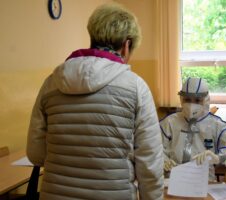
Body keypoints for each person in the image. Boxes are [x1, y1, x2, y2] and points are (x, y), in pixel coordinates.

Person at [26, 3, 164, 200]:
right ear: (126, 45)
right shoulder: (136, 87)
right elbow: (149, 164)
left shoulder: (51, 83)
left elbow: (36, 154)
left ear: (93, 38)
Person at [160, 77, 226, 181]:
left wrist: (219, 158)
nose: (192, 105)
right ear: (181, 99)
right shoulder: (170, 122)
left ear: (206, 100)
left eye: (197, 100)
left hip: (204, 181)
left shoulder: (216, 125)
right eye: (187, 99)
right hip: (173, 180)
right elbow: (153, 146)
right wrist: (163, 160)